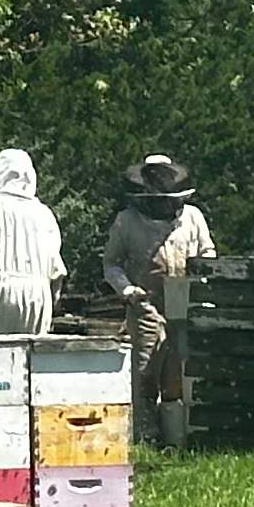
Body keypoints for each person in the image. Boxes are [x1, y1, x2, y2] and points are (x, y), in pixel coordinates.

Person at [102, 153, 215, 440]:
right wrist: (127, 290)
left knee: (181, 371)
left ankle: (178, 439)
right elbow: (111, 263)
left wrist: (201, 285)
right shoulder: (126, 221)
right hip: (145, 306)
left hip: (186, 306)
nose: (163, 203)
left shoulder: (192, 217)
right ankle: (145, 436)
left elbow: (208, 255)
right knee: (145, 372)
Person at [0, 148, 63, 335]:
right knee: (31, 361)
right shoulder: (44, 212)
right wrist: (51, 306)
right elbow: (56, 273)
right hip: (40, 296)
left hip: (3, 293)